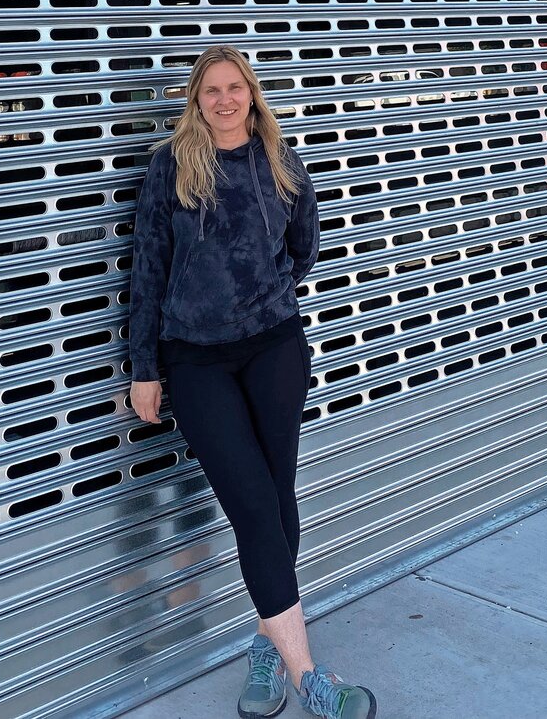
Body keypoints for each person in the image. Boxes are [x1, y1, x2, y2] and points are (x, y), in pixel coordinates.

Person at [129, 45, 378, 719]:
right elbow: (148, 271)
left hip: (273, 352)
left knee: (274, 499)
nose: (224, 99)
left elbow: (305, 245)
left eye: (234, 87)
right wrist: (144, 368)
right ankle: (309, 680)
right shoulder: (172, 167)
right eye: (211, 90)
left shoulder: (279, 161)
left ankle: (268, 645)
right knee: (250, 505)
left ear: (252, 93)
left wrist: (263, 297)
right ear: (195, 100)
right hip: (196, 360)